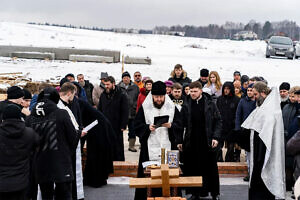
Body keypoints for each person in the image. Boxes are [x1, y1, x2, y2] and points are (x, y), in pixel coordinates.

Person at [26, 87, 83, 200]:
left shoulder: (30, 118)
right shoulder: (62, 113)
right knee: (64, 194)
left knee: (46, 195)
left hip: (40, 164)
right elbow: (72, 137)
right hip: (61, 162)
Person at [134, 81, 183, 200]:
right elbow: (136, 126)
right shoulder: (145, 107)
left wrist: (171, 126)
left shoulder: (172, 107)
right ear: (152, 96)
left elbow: (180, 125)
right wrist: (147, 128)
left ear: (165, 95)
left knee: (171, 175)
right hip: (149, 149)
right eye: (156, 97)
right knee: (148, 177)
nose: (159, 99)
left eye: (161, 97)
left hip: (168, 147)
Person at [241, 82, 285, 200]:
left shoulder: (271, 111)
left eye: (255, 94)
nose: (254, 97)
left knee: (263, 187)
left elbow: (268, 135)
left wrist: (260, 156)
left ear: (263, 93)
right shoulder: (261, 108)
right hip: (257, 153)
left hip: (264, 154)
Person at [180, 81, 222, 200]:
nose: (192, 93)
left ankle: (215, 193)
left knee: (210, 168)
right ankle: (195, 193)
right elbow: (181, 123)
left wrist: (216, 137)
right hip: (192, 141)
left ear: (201, 91)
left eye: (195, 91)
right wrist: (179, 140)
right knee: (193, 167)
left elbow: (218, 121)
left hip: (207, 140)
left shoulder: (210, 103)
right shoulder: (186, 104)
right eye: (191, 91)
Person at [0, 105, 39, 200]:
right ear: (19, 117)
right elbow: (37, 148)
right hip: (22, 181)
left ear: (3, 118)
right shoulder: (29, 133)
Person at [58, 82, 85, 199]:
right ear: (69, 93)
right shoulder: (61, 108)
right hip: (64, 148)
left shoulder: (65, 106)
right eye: (73, 95)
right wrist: (79, 133)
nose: (74, 98)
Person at [78, 100, 115, 188]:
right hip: (96, 127)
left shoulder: (78, 103)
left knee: (96, 154)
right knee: (94, 153)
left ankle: (96, 180)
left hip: (99, 128)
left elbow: (80, 122)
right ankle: (92, 179)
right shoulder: (79, 102)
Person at [98, 76, 128, 161]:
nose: (106, 86)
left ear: (113, 84)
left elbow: (125, 111)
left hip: (117, 125)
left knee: (117, 146)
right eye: (105, 84)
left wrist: (123, 124)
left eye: (108, 84)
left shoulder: (121, 94)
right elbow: (100, 109)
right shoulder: (103, 95)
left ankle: (118, 164)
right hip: (106, 125)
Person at [235, 83, 256, 181]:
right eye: (248, 90)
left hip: (256, 130)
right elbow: (238, 115)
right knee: (248, 154)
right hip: (245, 131)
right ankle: (249, 172)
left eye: (251, 90)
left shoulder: (258, 102)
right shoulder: (242, 101)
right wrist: (238, 129)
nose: (249, 92)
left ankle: (255, 173)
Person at [216, 82, 240, 162]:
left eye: (228, 89)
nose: (226, 91)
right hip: (221, 125)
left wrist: (235, 124)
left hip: (231, 126)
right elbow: (216, 111)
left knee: (231, 144)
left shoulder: (236, 100)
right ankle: (219, 158)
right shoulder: (220, 99)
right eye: (225, 89)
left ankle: (229, 158)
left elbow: (238, 113)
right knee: (219, 144)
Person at [283, 86, 300, 190]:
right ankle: (289, 185)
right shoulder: (286, 107)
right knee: (288, 164)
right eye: (292, 95)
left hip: (295, 141)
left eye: (295, 96)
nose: (293, 98)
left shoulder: (297, 108)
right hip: (288, 139)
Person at [118, 71, 140, 152]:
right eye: (124, 77)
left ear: (130, 78)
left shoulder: (135, 87)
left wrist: (134, 106)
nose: (126, 79)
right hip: (122, 112)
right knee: (120, 129)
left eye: (127, 77)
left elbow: (138, 98)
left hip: (132, 112)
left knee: (132, 129)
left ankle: (131, 145)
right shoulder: (118, 87)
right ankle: (118, 145)